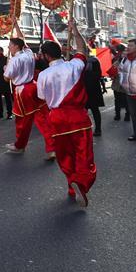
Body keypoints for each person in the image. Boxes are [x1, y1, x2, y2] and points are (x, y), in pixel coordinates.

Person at [36, 21, 96, 208]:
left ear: (46, 56)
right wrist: (75, 31)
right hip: (78, 117)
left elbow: (42, 97)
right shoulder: (74, 65)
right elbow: (83, 49)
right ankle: (81, 182)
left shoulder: (43, 75)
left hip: (57, 119)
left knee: (65, 155)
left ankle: (72, 183)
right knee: (83, 154)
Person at [4, 36, 55, 160]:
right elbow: (23, 41)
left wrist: (5, 70)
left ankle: (20, 145)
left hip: (23, 91)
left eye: (10, 45)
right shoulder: (28, 53)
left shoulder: (14, 60)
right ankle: (51, 148)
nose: (9, 47)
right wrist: (16, 25)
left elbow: (6, 78)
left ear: (16, 46)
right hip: (33, 86)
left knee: (22, 122)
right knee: (43, 119)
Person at [83, 50, 105, 137]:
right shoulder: (78, 62)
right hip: (83, 90)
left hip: (93, 90)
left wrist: (87, 73)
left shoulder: (94, 61)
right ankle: (84, 129)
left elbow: (98, 74)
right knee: (83, 112)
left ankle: (98, 129)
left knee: (95, 110)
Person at [109, 44, 131, 123]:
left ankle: (128, 114)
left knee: (126, 100)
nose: (124, 54)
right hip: (117, 84)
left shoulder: (131, 62)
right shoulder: (117, 61)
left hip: (126, 84)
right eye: (123, 53)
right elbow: (112, 70)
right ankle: (117, 114)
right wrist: (113, 73)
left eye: (126, 53)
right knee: (117, 100)